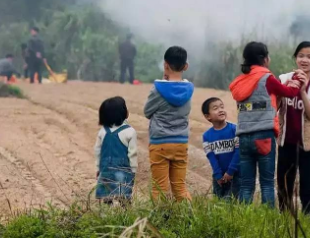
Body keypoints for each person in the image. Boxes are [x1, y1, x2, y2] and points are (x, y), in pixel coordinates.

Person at [229, 41, 304, 208]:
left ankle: (243, 219)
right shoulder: (267, 79)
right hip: (264, 136)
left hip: (243, 136)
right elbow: (289, 93)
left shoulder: (240, 82)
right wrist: (298, 79)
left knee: (246, 184)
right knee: (267, 183)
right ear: (264, 59)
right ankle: (268, 220)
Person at [277, 41, 310, 216]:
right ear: (295, 58)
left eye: (309, 56)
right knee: (284, 188)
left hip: (308, 145)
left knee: (306, 190)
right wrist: (284, 90)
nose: (304, 60)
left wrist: (303, 91)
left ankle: (309, 226)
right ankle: (283, 223)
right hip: (286, 143)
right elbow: (275, 106)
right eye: (301, 56)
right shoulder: (284, 78)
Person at [144, 46, 194, 202]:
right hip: (181, 142)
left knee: (159, 188)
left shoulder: (158, 90)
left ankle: (159, 222)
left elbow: (147, 112)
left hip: (160, 143)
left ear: (165, 65)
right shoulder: (189, 89)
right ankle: (190, 219)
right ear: (186, 66)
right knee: (179, 187)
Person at [95, 96, 137, 203]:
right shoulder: (130, 131)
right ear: (123, 113)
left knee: (106, 196)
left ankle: (108, 214)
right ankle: (124, 215)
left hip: (105, 170)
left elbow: (98, 151)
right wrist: (133, 171)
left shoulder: (102, 131)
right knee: (124, 197)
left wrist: (97, 168)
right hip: (123, 171)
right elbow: (133, 153)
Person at [202, 97, 240, 201]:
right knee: (218, 203)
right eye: (215, 108)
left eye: (222, 107)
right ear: (207, 116)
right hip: (218, 178)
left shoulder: (235, 130)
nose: (221, 110)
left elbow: (238, 152)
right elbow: (211, 157)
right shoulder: (206, 136)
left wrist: (230, 172)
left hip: (235, 175)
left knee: (229, 203)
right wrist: (218, 175)